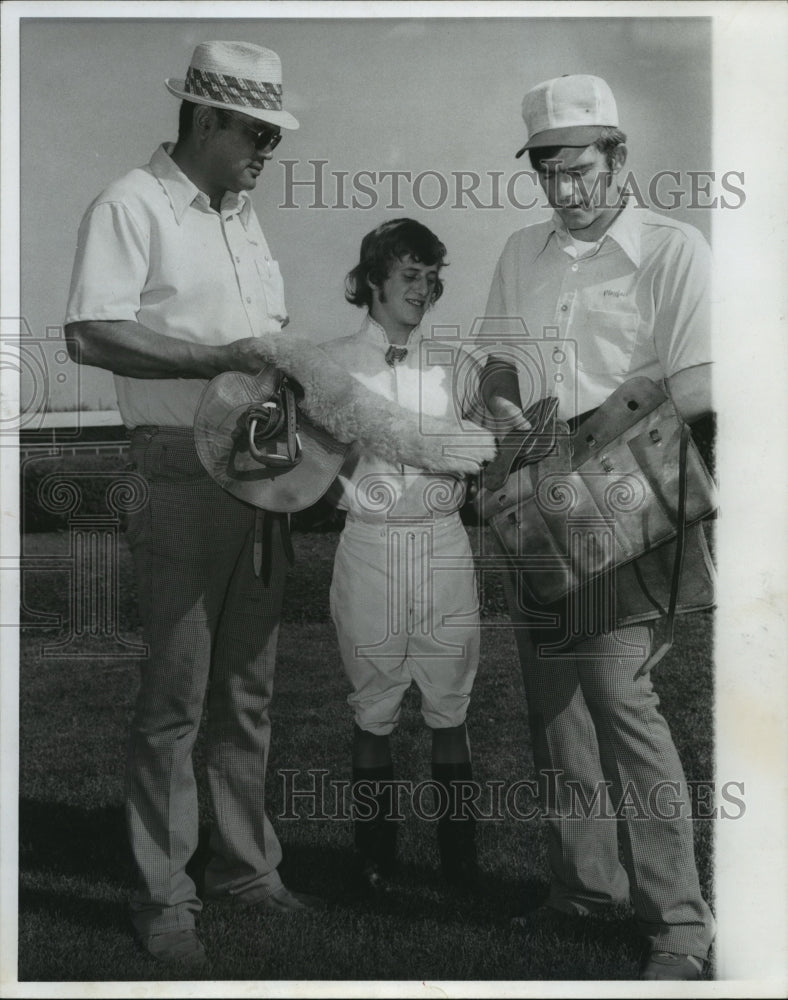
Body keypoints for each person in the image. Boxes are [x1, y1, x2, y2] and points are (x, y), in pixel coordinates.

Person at [64, 41, 321, 969]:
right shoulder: (131, 203)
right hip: (180, 471)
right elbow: (92, 330)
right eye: (257, 132)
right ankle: (162, 896)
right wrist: (216, 359)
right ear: (205, 120)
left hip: (264, 472)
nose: (268, 150)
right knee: (176, 698)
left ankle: (245, 870)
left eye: (275, 135)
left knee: (247, 692)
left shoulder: (242, 219)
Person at [478, 75, 715, 980]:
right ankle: (582, 891)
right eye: (548, 175)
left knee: (625, 702)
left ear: (620, 157)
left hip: (634, 490)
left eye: (579, 170)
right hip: (537, 498)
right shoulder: (519, 252)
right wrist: (506, 412)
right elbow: (494, 366)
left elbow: (698, 381)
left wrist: (589, 434)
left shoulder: (672, 247)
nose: (564, 191)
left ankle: (680, 932)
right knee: (556, 709)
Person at [326, 219, 484, 894]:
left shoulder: (452, 365)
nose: (422, 289)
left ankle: (458, 863)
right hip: (369, 548)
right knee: (373, 711)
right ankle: (375, 858)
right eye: (408, 275)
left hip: (444, 545)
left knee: (451, 710)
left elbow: (483, 451)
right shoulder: (329, 363)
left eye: (430, 276)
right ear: (371, 281)